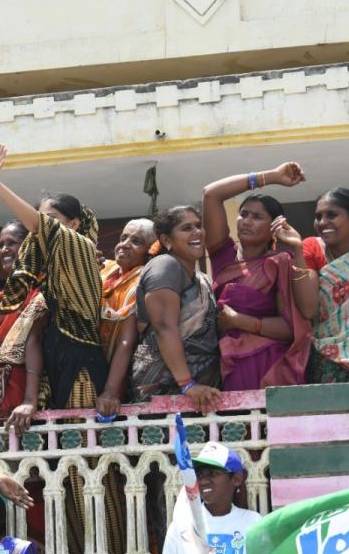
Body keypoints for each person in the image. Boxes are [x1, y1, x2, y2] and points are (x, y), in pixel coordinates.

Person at [0, 144, 107, 409]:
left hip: (80, 360)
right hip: (56, 360)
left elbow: (39, 226)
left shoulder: (81, 249)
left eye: (51, 218)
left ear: (73, 224)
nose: (41, 226)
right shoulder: (49, 271)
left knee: (80, 444)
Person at [201, 164, 315, 390]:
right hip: (227, 362)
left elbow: (292, 328)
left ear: (273, 226)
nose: (247, 221)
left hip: (270, 365)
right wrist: (270, 176)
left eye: (257, 217)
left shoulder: (281, 262)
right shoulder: (223, 255)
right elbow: (211, 194)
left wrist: (237, 320)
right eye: (243, 214)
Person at [130, 207, 223, 410]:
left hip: (199, 391)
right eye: (186, 228)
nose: (197, 232)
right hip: (166, 389)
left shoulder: (201, 279)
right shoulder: (165, 266)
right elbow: (163, 326)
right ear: (166, 240)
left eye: (199, 226)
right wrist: (187, 384)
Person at [0, 220, 46, 435]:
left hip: (27, 399)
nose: (4, 250)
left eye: (12, 243)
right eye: (1, 244)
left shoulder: (41, 291)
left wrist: (29, 400)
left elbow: (34, 341)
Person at [302, 188, 349, 382]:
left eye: (332, 215)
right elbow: (308, 309)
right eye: (318, 216)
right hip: (326, 360)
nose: (323, 223)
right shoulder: (311, 248)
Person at [95, 218, 155, 415]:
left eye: (136, 241)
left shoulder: (143, 280)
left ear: (150, 251)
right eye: (123, 237)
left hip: (117, 378)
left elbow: (126, 341)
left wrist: (110, 391)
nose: (124, 244)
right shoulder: (105, 269)